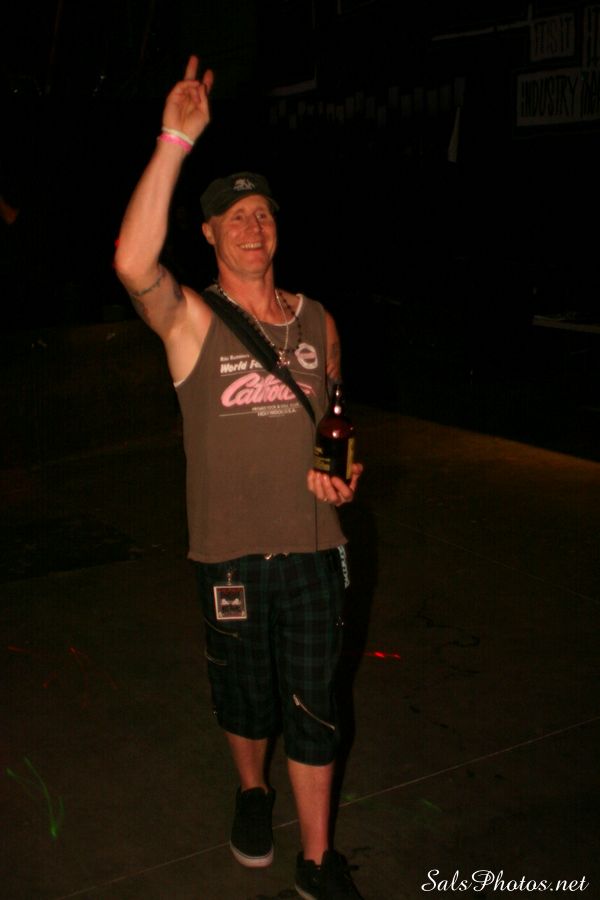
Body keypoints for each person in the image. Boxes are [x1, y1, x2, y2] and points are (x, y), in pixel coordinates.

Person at [114, 55, 364, 900]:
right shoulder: (190, 321)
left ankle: (318, 859)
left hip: (313, 550)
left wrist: (344, 473)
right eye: (234, 216)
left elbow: (335, 424)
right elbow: (131, 262)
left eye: (262, 213)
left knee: (316, 703)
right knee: (245, 697)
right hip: (228, 554)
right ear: (210, 235)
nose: (252, 226)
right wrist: (175, 139)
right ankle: (252, 791)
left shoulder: (320, 322)